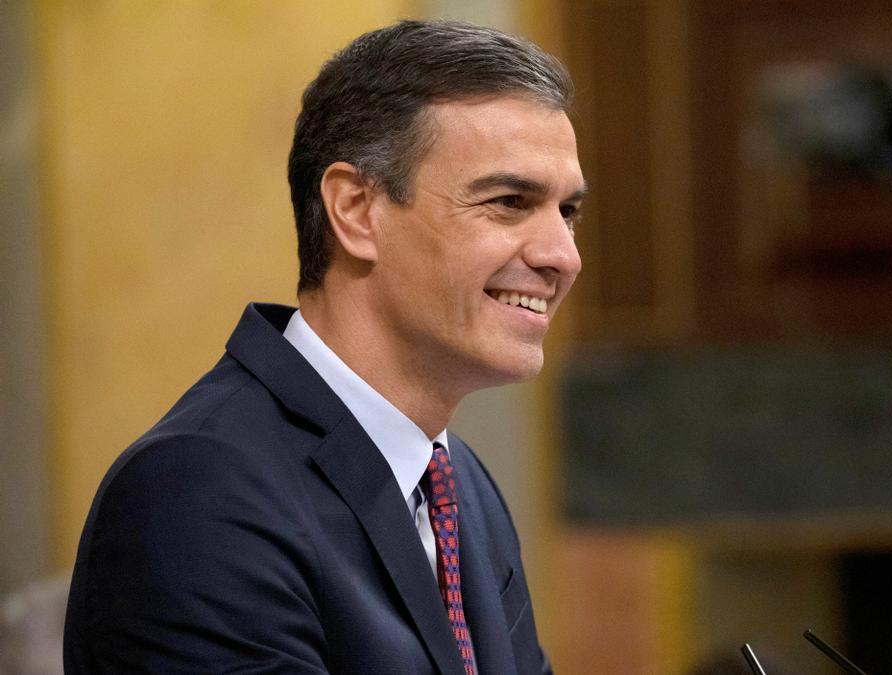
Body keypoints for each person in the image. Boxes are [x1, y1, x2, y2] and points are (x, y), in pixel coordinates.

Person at [63, 19, 584, 674]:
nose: (562, 255)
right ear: (357, 210)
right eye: (510, 201)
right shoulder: (200, 488)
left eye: (568, 212)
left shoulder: (461, 485)